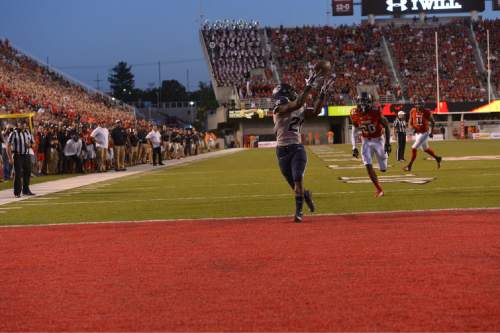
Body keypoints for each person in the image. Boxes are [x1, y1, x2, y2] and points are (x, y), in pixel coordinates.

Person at [272, 70, 333, 223]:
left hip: (297, 148)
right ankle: (306, 195)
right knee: (294, 185)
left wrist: (322, 94)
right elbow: (297, 103)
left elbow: (317, 111)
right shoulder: (278, 110)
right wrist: (308, 86)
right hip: (281, 151)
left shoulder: (298, 108)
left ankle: (298, 212)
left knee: (298, 178)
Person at [351, 92, 392, 198]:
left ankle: (383, 160)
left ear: (369, 102)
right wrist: (354, 147)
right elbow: (354, 131)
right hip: (365, 141)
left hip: (378, 140)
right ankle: (379, 190)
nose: (362, 104)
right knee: (368, 166)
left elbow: (386, 126)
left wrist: (387, 143)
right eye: (360, 102)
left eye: (364, 102)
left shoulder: (376, 111)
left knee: (383, 167)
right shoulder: (354, 113)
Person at [404, 97, 442, 171]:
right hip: (417, 133)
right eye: (418, 105)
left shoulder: (426, 112)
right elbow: (410, 121)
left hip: (424, 133)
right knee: (425, 149)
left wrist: (432, 132)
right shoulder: (413, 111)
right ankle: (437, 158)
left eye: (420, 105)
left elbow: (433, 122)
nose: (419, 106)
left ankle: (409, 166)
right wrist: (411, 128)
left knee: (414, 148)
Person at [7, 120, 35, 197]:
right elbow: (8, 145)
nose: (23, 126)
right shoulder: (14, 133)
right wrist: (10, 158)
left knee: (27, 172)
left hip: (26, 155)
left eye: (24, 125)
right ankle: (17, 192)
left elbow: (33, 144)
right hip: (17, 155)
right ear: (18, 125)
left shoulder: (27, 132)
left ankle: (26, 190)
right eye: (21, 124)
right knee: (18, 173)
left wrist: (30, 145)